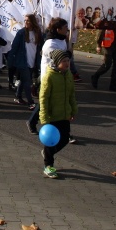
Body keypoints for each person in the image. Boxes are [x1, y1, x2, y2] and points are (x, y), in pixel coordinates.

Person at [39, 49, 78, 179]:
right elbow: (43, 98)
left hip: (64, 114)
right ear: (56, 62)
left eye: (68, 60)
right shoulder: (49, 76)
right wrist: (44, 118)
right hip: (52, 116)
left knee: (65, 139)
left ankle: (47, 153)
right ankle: (48, 166)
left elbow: (71, 94)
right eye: (64, 61)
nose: (67, 63)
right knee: (50, 142)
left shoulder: (68, 74)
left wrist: (73, 110)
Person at [8, 14, 42, 112]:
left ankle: (18, 96)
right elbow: (14, 47)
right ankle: (30, 102)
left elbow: (40, 47)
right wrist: (11, 61)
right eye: (25, 20)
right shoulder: (21, 33)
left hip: (33, 61)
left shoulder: (37, 33)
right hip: (23, 62)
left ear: (33, 22)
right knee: (28, 81)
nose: (26, 22)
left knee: (24, 80)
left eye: (28, 20)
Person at [90, 19, 116, 92]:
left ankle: (113, 85)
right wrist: (98, 45)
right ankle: (95, 76)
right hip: (108, 46)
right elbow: (101, 33)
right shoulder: (107, 22)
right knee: (107, 64)